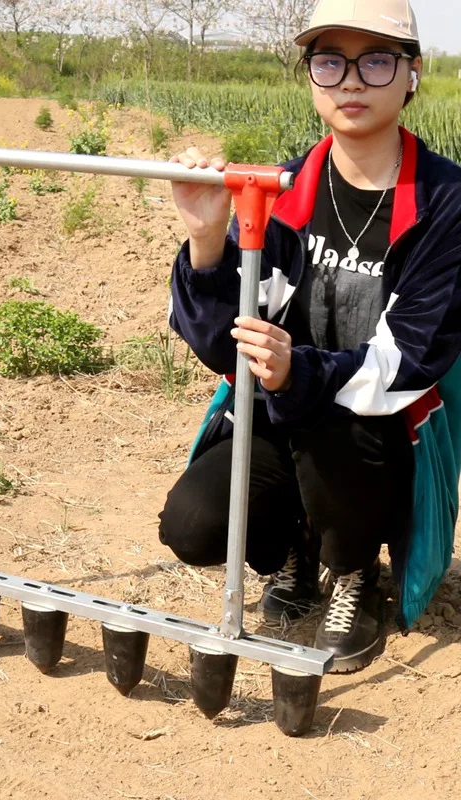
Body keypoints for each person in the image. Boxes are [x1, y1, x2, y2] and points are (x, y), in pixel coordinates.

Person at [157, 0, 461, 674]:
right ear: (311, 77)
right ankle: (292, 548)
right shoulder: (282, 191)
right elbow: (222, 347)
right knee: (193, 525)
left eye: (376, 60)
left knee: (340, 422)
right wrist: (207, 240)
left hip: (379, 433)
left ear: (412, 75)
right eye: (330, 61)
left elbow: (411, 358)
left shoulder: (445, 203)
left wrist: (300, 370)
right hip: (276, 418)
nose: (351, 80)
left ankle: (355, 571)